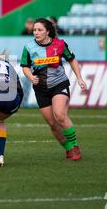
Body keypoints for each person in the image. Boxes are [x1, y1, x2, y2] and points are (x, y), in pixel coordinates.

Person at [20, 18, 87, 161]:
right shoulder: (29, 47)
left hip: (59, 84)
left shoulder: (60, 44)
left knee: (60, 115)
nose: (36, 33)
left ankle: (75, 147)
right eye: (34, 30)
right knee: (52, 124)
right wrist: (31, 77)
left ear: (48, 31)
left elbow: (72, 59)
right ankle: (68, 148)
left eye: (39, 30)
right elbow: (24, 66)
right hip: (41, 89)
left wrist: (79, 78)